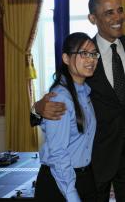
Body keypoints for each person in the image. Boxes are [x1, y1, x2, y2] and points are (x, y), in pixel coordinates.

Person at [35, 0, 125, 202]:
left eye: (120, 10)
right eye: (109, 13)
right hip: (97, 158)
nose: (118, 17)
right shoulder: (84, 60)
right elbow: (59, 97)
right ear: (93, 18)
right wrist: (37, 108)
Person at [34, 32, 99, 202]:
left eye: (94, 54)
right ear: (66, 58)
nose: (91, 59)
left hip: (83, 178)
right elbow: (58, 154)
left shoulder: (85, 92)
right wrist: (71, 194)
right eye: (83, 54)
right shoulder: (60, 98)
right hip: (60, 184)